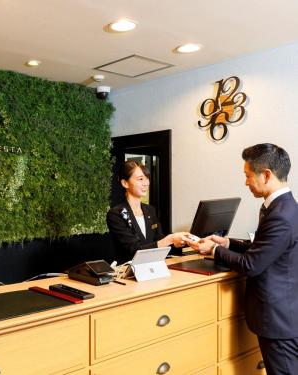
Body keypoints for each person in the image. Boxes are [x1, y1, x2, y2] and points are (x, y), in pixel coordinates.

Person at [187, 143, 298, 375]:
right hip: (284, 315)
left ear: (266, 175)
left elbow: (252, 264)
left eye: (248, 176)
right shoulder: (283, 207)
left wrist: (213, 250)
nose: (246, 182)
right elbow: (265, 247)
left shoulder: (281, 215)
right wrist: (227, 243)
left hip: (279, 321)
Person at [107, 160, 188, 262]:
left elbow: (158, 240)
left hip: (153, 267)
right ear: (125, 183)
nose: (146, 183)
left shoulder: (150, 210)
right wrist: (169, 239)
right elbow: (134, 250)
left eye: (147, 178)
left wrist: (177, 242)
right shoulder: (116, 214)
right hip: (129, 272)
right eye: (140, 179)